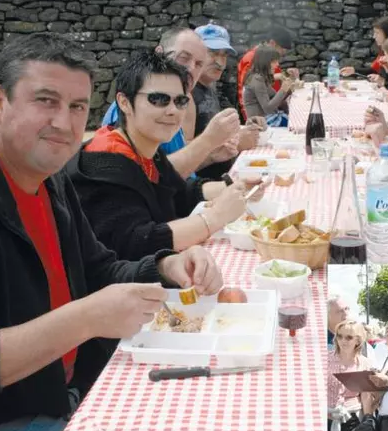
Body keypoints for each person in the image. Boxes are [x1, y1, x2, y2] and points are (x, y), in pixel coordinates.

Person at [0, 33, 223, 431]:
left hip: (55, 394)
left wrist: (168, 266)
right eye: (45, 100)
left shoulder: (51, 180)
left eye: (77, 107)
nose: (64, 123)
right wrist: (85, 319)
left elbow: (100, 270)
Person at [67, 49, 255, 262]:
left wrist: (231, 187)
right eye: (158, 99)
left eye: (180, 101)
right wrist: (216, 217)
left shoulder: (144, 149)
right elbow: (135, 242)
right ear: (124, 102)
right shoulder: (104, 164)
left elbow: (176, 192)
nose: (173, 111)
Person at [101, 27, 241, 180]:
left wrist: (211, 156)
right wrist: (207, 141)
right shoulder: (136, 105)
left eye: (199, 63)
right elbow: (141, 180)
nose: (190, 68)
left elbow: (171, 171)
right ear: (160, 53)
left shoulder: (180, 102)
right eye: (184, 57)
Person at [192, 23, 264, 180]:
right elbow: (178, 163)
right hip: (203, 192)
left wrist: (246, 126)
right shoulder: (185, 95)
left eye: (224, 55)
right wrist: (236, 144)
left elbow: (212, 129)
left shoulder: (209, 85)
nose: (220, 62)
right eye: (212, 53)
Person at [237, 25, 299, 118]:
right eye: (282, 49)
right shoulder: (252, 58)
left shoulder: (268, 59)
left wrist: (285, 74)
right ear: (272, 43)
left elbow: (268, 77)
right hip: (261, 115)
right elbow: (249, 86)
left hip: (274, 104)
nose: (283, 53)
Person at [327, 320, 373, 431]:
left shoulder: (365, 363)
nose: (343, 341)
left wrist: (368, 419)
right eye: (340, 336)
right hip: (325, 417)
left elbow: (365, 395)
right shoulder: (324, 359)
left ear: (358, 340)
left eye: (348, 337)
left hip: (353, 418)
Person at [243, 45, 297, 126]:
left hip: (268, 117)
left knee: (295, 115)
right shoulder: (257, 79)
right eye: (274, 62)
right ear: (265, 62)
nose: (277, 64)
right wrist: (284, 88)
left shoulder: (260, 76)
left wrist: (286, 74)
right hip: (261, 123)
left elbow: (274, 78)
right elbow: (268, 109)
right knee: (295, 122)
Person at [340, 16, 388, 81]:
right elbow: (373, 70)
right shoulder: (383, 51)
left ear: (387, 33)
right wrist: (353, 70)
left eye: (377, 33)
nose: (374, 36)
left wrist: (384, 81)